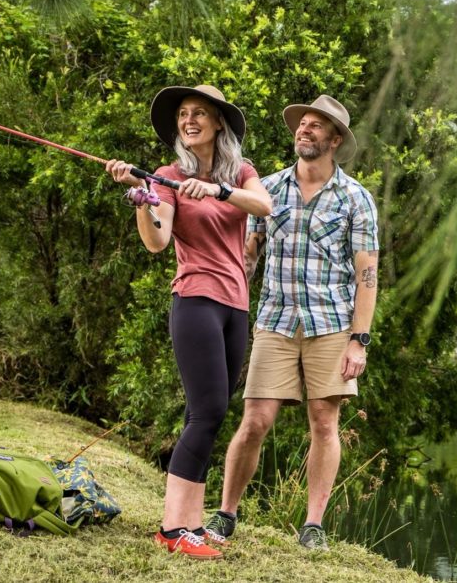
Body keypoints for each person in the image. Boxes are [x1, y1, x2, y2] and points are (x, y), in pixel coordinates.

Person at [105, 84, 272, 560]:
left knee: (201, 414)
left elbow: (265, 206)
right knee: (209, 411)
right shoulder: (166, 175)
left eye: (200, 113)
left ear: (219, 123)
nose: (190, 119)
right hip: (195, 299)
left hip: (235, 306)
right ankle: (173, 528)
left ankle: (192, 524)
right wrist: (143, 201)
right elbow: (157, 240)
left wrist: (219, 189)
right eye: (183, 114)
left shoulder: (242, 172)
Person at [206, 94, 379, 551]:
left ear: (335, 139)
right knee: (255, 419)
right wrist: (222, 296)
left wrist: (358, 340)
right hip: (275, 322)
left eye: (316, 126)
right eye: (302, 124)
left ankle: (313, 525)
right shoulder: (268, 190)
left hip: (330, 325)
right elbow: (246, 255)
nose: (305, 130)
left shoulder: (356, 198)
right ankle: (226, 514)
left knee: (324, 422)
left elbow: (368, 275)